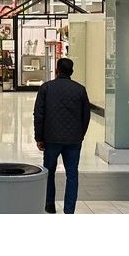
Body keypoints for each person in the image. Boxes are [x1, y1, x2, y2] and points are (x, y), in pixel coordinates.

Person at [33, 57, 90, 214]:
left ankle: (49, 204)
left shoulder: (46, 88)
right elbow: (86, 116)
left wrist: (39, 137)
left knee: (49, 172)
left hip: (51, 138)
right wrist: (80, 134)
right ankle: (69, 210)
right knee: (72, 175)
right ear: (72, 71)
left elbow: (39, 114)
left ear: (57, 70)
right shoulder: (80, 89)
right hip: (73, 140)